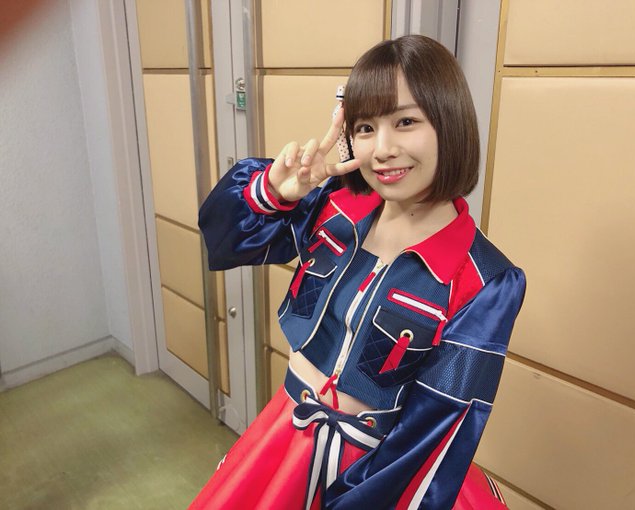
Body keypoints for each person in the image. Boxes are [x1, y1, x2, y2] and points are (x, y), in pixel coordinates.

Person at [190, 35, 526, 510]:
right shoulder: (333, 205)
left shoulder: (484, 279)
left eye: (405, 121)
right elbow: (224, 236)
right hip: (284, 439)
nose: (382, 149)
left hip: (381, 474)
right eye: (366, 127)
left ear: (448, 122)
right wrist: (276, 192)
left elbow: (436, 425)